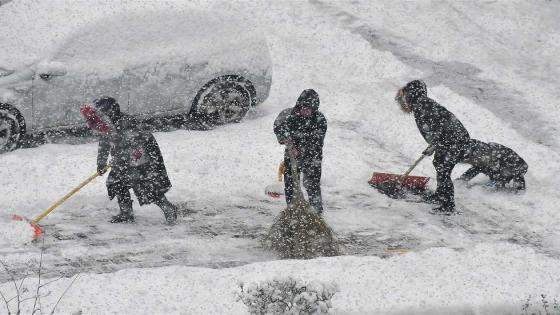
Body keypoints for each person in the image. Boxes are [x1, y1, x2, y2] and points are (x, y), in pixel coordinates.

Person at [81, 96, 178, 224]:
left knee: (145, 185)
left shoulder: (127, 124)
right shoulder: (106, 126)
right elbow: (104, 145)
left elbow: (137, 148)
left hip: (143, 158)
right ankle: (126, 213)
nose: (95, 124)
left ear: (109, 113)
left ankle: (168, 208)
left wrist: (123, 159)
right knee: (116, 181)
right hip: (124, 159)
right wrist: (101, 163)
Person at [395, 80, 470, 214]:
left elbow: (441, 124)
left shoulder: (422, 105)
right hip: (451, 138)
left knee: (443, 168)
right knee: (439, 164)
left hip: (454, 139)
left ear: (411, 94)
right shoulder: (421, 104)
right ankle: (440, 195)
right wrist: (435, 142)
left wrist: (436, 141)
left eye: (404, 96)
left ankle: (448, 205)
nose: (403, 101)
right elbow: (436, 126)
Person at [273, 89, 327, 214]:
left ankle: (316, 211)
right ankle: (292, 209)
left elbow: (316, 143)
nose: (305, 111)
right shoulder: (288, 115)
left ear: (314, 109)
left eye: (309, 109)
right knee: (291, 182)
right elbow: (278, 127)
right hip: (291, 154)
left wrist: (301, 151)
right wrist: (287, 141)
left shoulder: (320, 120)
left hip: (312, 155)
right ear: (299, 105)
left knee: (312, 183)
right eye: (303, 107)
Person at [457, 139, 527, 191]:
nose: (469, 162)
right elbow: (476, 168)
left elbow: (519, 171)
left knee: (496, 187)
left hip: (513, 168)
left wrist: (519, 191)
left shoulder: (496, 155)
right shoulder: (482, 157)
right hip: (499, 167)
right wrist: (460, 181)